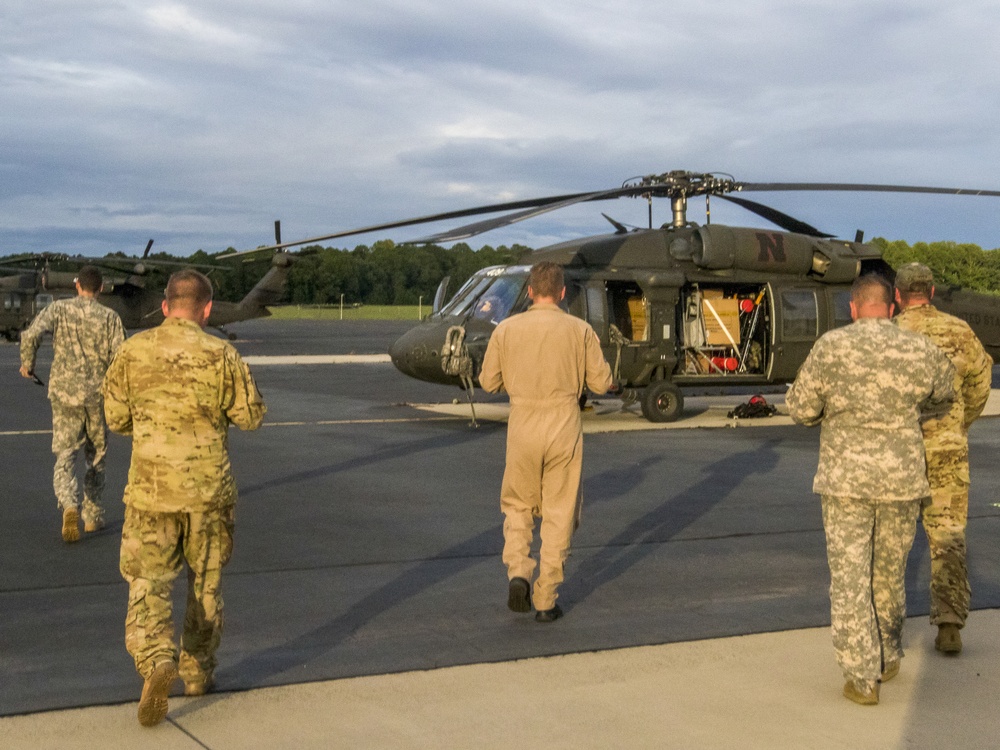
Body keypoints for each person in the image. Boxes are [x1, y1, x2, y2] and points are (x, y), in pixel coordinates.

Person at [102, 269, 266, 727]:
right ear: (207, 309)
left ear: (166, 304)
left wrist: (153, 429)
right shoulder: (222, 353)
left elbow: (115, 417)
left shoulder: (132, 351)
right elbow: (251, 416)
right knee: (206, 585)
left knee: (149, 582)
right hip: (208, 493)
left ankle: (156, 662)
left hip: (151, 492)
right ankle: (196, 671)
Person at [786, 274, 955, 706]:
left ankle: (862, 677)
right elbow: (944, 393)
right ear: (892, 306)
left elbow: (802, 409)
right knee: (889, 573)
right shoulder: (919, 347)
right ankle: (888, 655)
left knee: (849, 578)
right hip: (901, 479)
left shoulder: (831, 346)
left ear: (854, 307)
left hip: (847, 481)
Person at [480, 261, 613, 623]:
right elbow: (602, 384)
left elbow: (489, 382)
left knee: (518, 505)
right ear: (563, 293)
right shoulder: (580, 330)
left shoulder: (506, 330)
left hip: (522, 423)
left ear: (530, 292)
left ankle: (518, 571)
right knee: (560, 512)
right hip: (563, 424)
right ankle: (545, 599)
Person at [893, 262, 993, 655]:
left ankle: (887, 628)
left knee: (892, 540)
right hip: (947, 450)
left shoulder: (892, 335)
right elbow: (981, 384)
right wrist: (958, 424)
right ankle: (949, 624)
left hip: (899, 452)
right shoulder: (960, 332)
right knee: (948, 536)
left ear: (899, 296)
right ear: (931, 292)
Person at [19, 265, 126, 542]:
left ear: (77, 286)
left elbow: (31, 334)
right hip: (96, 395)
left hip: (65, 394)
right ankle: (92, 515)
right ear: (101, 288)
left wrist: (27, 363)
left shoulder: (58, 309)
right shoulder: (110, 317)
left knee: (66, 453)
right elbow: (121, 358)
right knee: (97, 456)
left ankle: (69, 504)